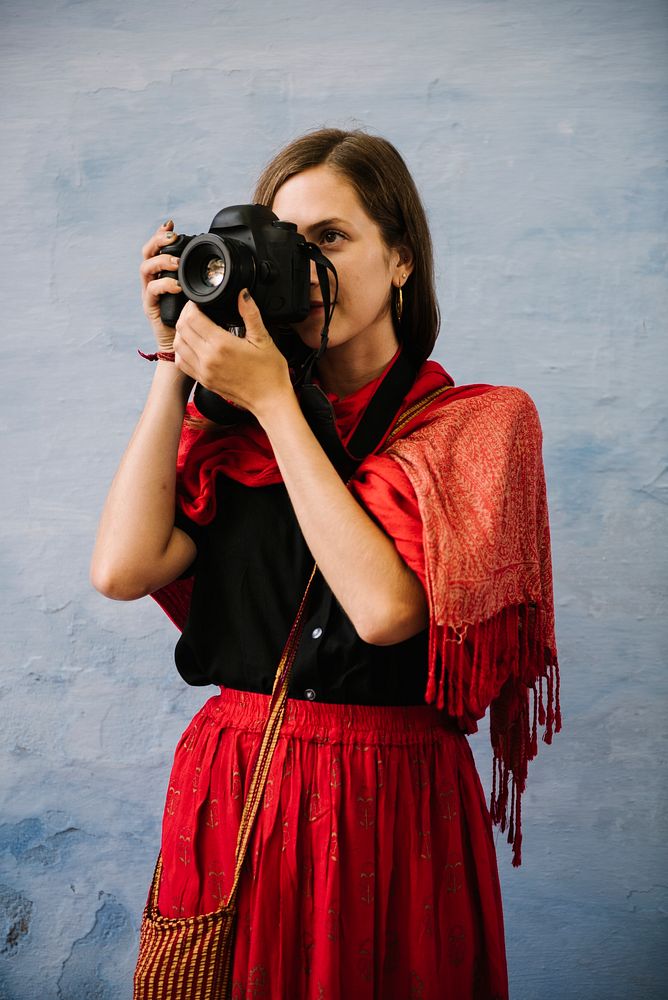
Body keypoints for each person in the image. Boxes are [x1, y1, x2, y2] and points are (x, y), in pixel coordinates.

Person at [91, 128, 560, 1000]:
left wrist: (273, 400)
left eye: (332, 241)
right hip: (235, 785)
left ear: (402, 261)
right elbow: (122, 568)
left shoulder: (479, 426)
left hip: (393, 801)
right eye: (287, 243)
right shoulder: (236, 432)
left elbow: (384, 611)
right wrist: (175, 355)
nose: (307, 272)